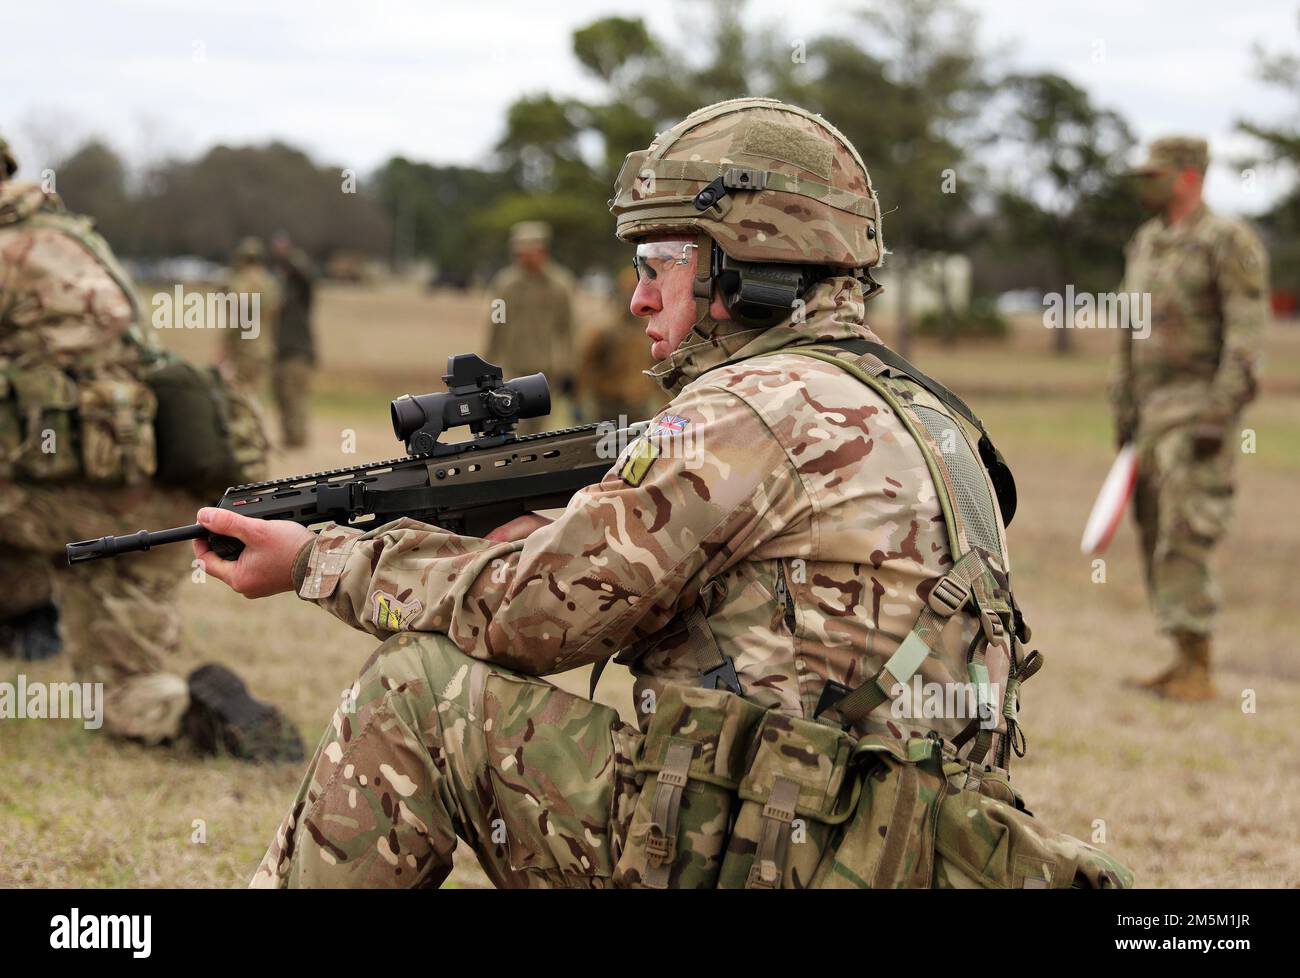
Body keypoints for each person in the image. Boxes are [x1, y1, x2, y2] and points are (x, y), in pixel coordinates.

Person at [197, 98, 1130, 889]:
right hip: (898, 856)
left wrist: (322, 559)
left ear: (742, 266)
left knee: (416, 693)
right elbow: (784, 629)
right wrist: (550, 538)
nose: (638, 299)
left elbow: (534, 623)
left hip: (771, 857)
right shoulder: (932, 415)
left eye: (658, 265)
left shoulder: (745, 407)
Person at [0, 134, 303, 760]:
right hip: (154, 499)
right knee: (128, 681)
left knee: (119, 690)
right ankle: (188, 712)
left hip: (70, 502)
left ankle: (31, 617)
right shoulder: (75, 238)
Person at [1114, 136, 1270, 702]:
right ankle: (1179, 655)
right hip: (1150, 416)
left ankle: (1198, 665)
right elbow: (1128, 333)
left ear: (1187, 176)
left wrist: (1220, 411)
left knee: (1187, 531)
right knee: (1153, 529)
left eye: (1153, 175)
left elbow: (1247, 336)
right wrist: (1123, 406)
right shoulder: (1147, 242)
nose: (1143, 185)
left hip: (1198, 410)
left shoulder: (1228, 241)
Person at [483, 221, 575, 432]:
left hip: (547, 372)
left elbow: (568, 329)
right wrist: (487, 364)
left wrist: (570, 369)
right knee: (515, 426)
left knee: (539, 429)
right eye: (518, 253)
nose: (522, 258)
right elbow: (495, 325)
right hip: (513, 368)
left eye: (527, 252)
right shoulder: (504, 284)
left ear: (542, 251)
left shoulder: (560, 285)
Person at [574, 265, 663, 423]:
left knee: (643, 447)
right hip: (608, 406)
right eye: (629, 292)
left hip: (640, 405)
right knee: (606, 447)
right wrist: (579, 401)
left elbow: (658, 366)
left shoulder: (651, 330)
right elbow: (585, 366)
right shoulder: (603, 329)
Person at [269, 231, 316, 448]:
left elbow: (304, 275)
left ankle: (297, 440)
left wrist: (286, 255)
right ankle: (290, 438)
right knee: (281, 395)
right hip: (281, 352)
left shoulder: (302, 296)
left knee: (294, 395)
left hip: (298, 353)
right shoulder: (284, 296)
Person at [220, 236, 280, 395]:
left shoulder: (240, 280)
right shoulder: (269, 282)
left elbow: (236, 310)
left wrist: (226, 347)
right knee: (254, 394)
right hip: (263, 347)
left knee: (238, 396)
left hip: (244, 348)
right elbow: (275, 310)